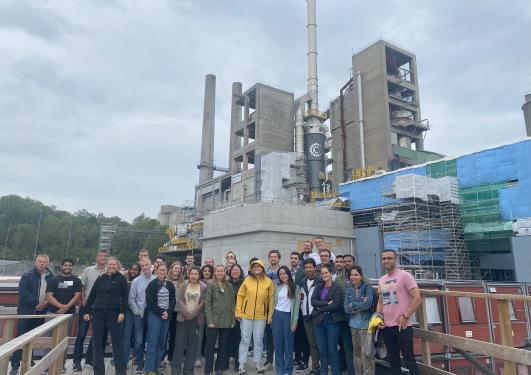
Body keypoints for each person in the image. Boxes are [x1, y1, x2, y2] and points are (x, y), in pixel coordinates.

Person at [377, 250, 421, 375]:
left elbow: (417, 298)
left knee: (409, 359)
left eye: (389, 258)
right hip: (386, 326)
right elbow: (380, 302)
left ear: (395, 260)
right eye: (384, 258)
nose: (386, 261)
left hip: (403, 325)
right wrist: (378, 318)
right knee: (393, 360)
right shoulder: (381, 279)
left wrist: (406, 316)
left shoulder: (405, 276)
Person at [83, 257, 129, 375]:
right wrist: (86, 311)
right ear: (107, 265)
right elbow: (92, 295)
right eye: (110, 264)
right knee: (97, 344)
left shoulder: (121, 279)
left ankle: (121, 371)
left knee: (117, 344)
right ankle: (98, 372)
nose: (112, 266)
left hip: (114, 315)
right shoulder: (100, 278)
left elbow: (125, 298)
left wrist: (122, 312)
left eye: (114, 264)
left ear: (117, 266)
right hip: (98, 314)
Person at [10, 254, 54, 374]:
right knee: (21, 338)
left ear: (47, 264)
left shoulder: (51, 277)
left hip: (42, 312)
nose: (41, 263)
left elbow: (52, 293)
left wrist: (44, 305)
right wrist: (36, 304)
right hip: (26, 311)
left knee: (34, 337)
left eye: (44, 262)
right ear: (35, 262)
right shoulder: (27, 275)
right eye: (39, 261)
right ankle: (15, 363)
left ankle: (29, 360)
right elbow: (23, 292)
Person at [235, 259, 274, 375]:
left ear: (262, 268)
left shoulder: (268, 282)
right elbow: (240, 296)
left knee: (258, 341)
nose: (256, 268)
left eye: (259, 266)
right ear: (252, 268)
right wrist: (238, 312)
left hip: (261, 317)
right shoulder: (247, 280)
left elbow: (271, 300)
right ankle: (241, 365)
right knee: (245, 340)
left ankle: (257, 364)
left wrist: (270, 316)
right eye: (254, 266)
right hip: (246, 316)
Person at [72, 249, 108, 371]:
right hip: (86, 307)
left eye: (105, 256)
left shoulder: (108, 271)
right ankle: (76, 362)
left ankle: (90, 359)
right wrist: (83, 303)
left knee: (97, 335)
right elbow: (82, 287)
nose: (102, 257)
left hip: (100, 309)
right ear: (96, 257)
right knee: (81, 334)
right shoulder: (88, 270)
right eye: (100, 255)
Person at [46, 258, 82, 370]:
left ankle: (61, 365)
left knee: (64, 339)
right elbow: (49, 296)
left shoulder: (76, 280)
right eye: (65, 265)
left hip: (68, 314)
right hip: (53, 312)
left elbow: (77, 296)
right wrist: (61, 306)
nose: (67, 267)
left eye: (70, 265)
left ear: (72, 267)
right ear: (62, 266)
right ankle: (47, 366)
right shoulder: (54, 280)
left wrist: (66, 307)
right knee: (50, 339)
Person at [172, 267, 206, 375]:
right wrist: (187, 313)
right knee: (179, 346)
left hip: (196, 320)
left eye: (196, 274)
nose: (193, 276)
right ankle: (176, 370)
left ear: (198, 275)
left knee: (192, 346)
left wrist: (193, 314)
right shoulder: (184, 285)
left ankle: (188, 370)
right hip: (183, 319)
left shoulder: (203, 287)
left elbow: (203, 302)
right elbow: (180, 300)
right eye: (192, 274)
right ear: (189, 274)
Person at [144, 263, 176, 375]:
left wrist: (168, 312)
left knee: (162, 344)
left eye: (164, 270)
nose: (162, 272)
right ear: (156, 271)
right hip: (155, 316)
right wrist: (162, 312)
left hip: (166, 316)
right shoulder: (152, 285)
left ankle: (155, 366)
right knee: (153, 343)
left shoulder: (170, 285)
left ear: (167, 272)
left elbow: (173, 301)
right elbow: (150, 303)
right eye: (160, 270)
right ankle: (149, 370)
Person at [311, 265, 342, 375]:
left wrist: (319, 308)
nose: (324, 275)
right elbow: (313, 302)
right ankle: (324, 372)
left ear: (331, 274)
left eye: (326, 273)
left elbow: (335, 305)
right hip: (318, 321)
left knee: (332, 350)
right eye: (322, 273)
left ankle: (336, 373)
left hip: (332, 321)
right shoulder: (318, 287)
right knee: (322, 349)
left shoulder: (337, 287)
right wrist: (325, 303)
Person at [204, 264, 235, 375]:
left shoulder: (229, 286)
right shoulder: (211, 285)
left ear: (224, 273)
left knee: (223, 346)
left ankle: (219, 368)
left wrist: (232, 319)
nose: (220, 273)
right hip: (214, 320)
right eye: (218, 271)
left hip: (226, 320)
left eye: (222, 271)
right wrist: (210, 320)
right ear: (215, 273)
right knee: (210, 347)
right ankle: (208, 370)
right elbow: (207, 304)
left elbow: (232, 304)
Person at [344, 265, 375, 375]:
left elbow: (367, 304)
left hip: (365, 325)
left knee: (367, 355)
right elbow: (346, 309)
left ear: (361, 276)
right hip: (353, 325)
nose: (353, 277)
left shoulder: (367, 287)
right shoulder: (349, 289)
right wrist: (358, 304)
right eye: (351, 275)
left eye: (356, 275)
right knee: (356, 354)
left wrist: (353, 304)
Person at [271, 266, 301, 375]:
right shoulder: (277, 287)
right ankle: (280, 370)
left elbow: (297, 306)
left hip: (288, 316)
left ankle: (287, 371)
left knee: (288, 346)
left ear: (288, 274)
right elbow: (273, 303)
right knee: (278, 345)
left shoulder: (295, 287)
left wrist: (294, 322)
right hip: (277, 316)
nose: (283, 276)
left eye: (284, 273)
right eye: (280, 274)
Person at [128, 258, 156, 373]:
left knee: (152, 340)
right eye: (143, 265)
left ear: (151, 265)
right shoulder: (136, 281)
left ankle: (151, 363)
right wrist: (138, 313)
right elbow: (131, 299)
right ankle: (139, 362)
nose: (145, 267)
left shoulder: (156, 280)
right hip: (139, 315)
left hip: (153, 315)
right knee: (139, 341)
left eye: (147, 265)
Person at [299, 259, 321, 375]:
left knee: (320, 342)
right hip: (306, 316)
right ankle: (315, 368)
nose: (308, 269)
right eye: (306, 267)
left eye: (310, 267)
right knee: (312, 343)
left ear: (314, 267)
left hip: (318, 316)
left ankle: (324, 366)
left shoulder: (320, 280)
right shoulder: (303, 281)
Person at [289, 252, 308, 372]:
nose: (293, 260)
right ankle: (296, 357)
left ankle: (304, 360)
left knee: (302, 336)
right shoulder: (288, 272)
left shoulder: (302, 272)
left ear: (299, 260)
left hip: (302, 308)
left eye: (296, 258)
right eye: (292, 258)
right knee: (295, 335)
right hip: (291, 308)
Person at [264, 250, 281, 370]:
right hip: (267, 308)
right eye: (271, 257)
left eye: (275, 257)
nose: (273, 258)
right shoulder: (266, 272)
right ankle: (269, 360)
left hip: (280, 307)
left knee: (279, 336)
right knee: (268, 335)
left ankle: (280, 360)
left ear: (279, 259)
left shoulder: (283, 271)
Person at [196, 264, 215, 367]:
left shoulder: (215, 283)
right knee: (199, 336)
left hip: (211, 314)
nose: (206, 272)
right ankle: (198, 357)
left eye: (208, 271)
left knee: (210, 337)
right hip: (200, 313)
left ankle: (209, 357)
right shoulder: (198, 283)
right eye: (205, 271)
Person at [122, 263, 140, 368]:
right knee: (126, 336)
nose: (133, 271)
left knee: (138, 338)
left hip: (139, 312)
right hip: (128, 311)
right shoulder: (125, 280)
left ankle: (138, 359)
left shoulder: (141, 280)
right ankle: (124, 360)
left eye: (136, 270)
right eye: (132, 269)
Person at [168, 261, 186, 362]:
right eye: (175, 268)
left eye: (178, 268)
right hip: (167, 312)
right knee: (166, 335)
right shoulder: (166, 280)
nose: (177, 270)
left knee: (175, 336)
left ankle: (172, 357)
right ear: (171, 269)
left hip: (178, 312)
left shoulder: (183, 282)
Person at [228, 264, 244, 371]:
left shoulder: (244, 283)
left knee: (239, 338)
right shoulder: (226, 283)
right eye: (233, 270)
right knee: (228, 338)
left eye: (237, 270)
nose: (235, 271)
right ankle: (227, 359)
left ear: (240, 272)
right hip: (228, 315)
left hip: (240, 316)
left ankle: (238, 362)